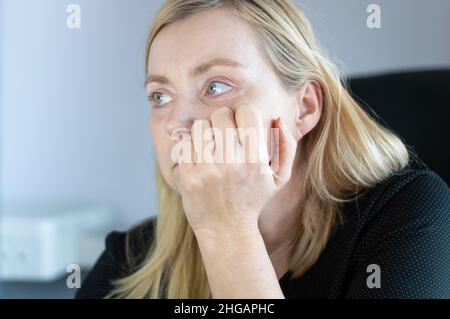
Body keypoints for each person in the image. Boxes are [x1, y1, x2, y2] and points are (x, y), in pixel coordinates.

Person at [75, 0, 450, 299]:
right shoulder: (130, 261)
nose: (177, 122)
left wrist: (227, 230)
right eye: (160, 95)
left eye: (216, 86)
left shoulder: (409, 216)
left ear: (304, 106)